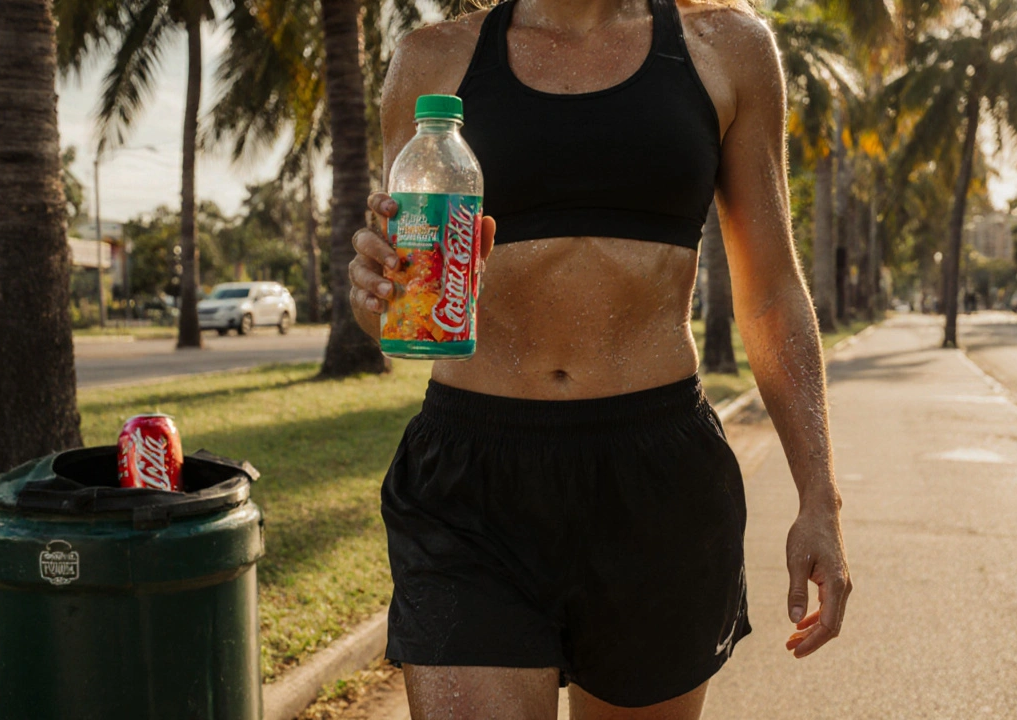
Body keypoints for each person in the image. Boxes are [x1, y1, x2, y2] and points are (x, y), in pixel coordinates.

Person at [349, 0, 851, 716]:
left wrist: (819, 499)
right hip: (470, 483)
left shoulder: (725, 48)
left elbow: (771, 291)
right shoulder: (432, 61)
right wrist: (374, 295)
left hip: (657, 480)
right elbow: (407, 292)